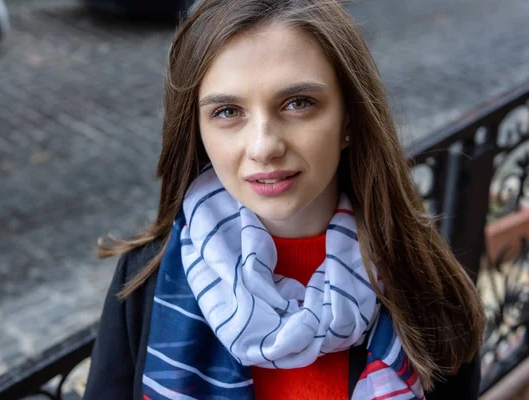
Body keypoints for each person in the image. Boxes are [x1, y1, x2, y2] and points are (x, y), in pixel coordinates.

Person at [84, 0, 486, 399]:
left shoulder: (426, 287)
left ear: (350, 118)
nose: (263, 147)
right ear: (197, 130)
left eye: (298, 103)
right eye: (227, 111)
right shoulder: (144, 282)